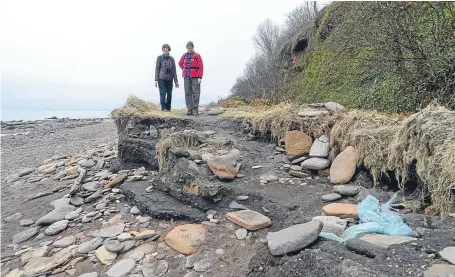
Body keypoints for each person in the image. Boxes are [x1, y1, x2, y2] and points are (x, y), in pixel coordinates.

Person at [179, 41, 204, 116]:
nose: (189, 49)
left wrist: (200, 77)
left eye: (191, 48)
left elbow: (201, 66)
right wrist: (183, 68)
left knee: (195, 92)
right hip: (186, 76)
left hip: (195, 76)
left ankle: (195, 109)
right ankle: (189, 109)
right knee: (187, 92)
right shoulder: (184, 55)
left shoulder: (197, 55)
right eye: (188, 48)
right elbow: (180, 63)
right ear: (186, 48)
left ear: (193, 47)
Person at [155, 44, 179, 112]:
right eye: (164, 48)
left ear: (169, 49)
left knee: (169, 94)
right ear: (162, 49)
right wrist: (156, 80)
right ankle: (164, 108)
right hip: (161, 79)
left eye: (167, 48)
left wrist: (176, 81)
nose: (165, 49)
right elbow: (157, 68)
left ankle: (168, 108)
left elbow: (174, 70)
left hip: (169, 80)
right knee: (162, 93)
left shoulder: (172, 59)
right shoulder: (159, 58)